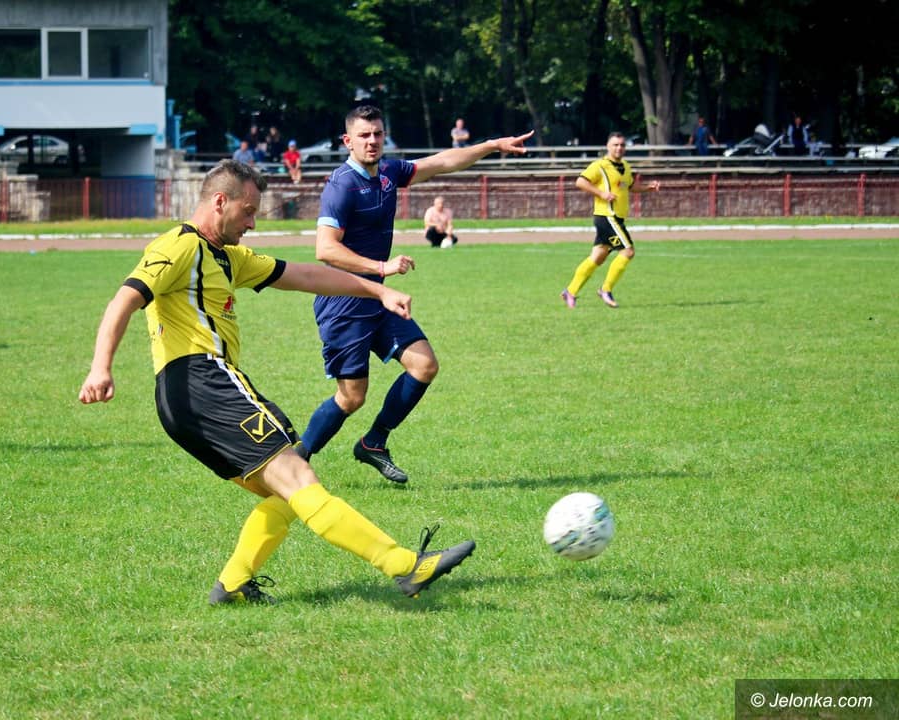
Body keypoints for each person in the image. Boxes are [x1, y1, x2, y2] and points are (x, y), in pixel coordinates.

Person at [78, 160, 475, 605]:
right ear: (220, 201)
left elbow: (306, 275)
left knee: (288, 492)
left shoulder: (228, 257)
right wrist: (100, 367)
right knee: (298, 477)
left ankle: (233, 584)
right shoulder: (180, 246)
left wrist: (379, 288)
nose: (253, 223)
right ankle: (404, 565)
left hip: (187, 398)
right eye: (248, 211)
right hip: (203, 381)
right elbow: (124, 299)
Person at [298, 104, 532, 483]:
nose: (372, 141)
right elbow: (325, 249)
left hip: (378, 297)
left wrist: (491, 145)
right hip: (343, 302)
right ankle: (297, 459)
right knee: (352, 397)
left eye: (377, 134)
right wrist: (382, 267)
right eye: (363, 135)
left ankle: (374, 442)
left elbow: (441, 163)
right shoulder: (341, 186)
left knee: (424, 366)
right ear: (347, 141)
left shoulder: (388, 173)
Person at [560, 131, 660, 310]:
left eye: (622, 145)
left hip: (616, 217)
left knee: (597, 257)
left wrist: (648, 188)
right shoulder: (600, 165)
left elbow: (630, 186)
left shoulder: (626, 166)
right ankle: (606, 290)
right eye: (615, 145)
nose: (619, 148)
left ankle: (570, 291)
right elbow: (580, 182)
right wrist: (601, 193)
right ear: (608, 146)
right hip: (607, 216)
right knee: (628, 251)